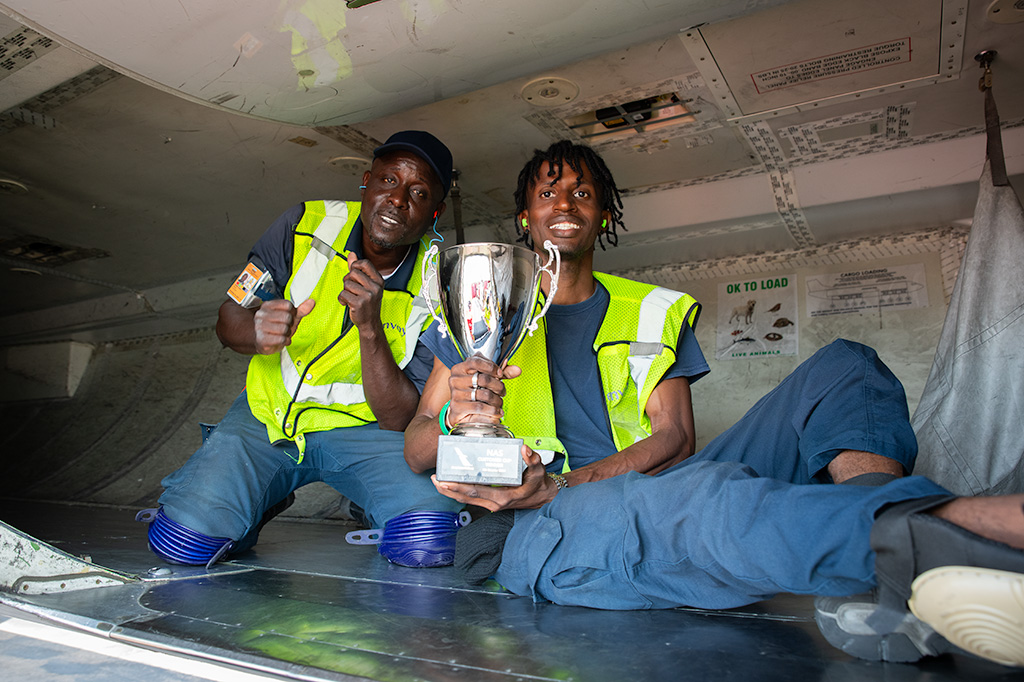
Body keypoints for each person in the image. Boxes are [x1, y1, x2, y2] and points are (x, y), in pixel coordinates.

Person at [403, 140, 1024, 668]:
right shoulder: (479, 308)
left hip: (619, 485)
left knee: (847, 367)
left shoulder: (652, 309)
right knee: (710, 500)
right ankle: (957, 543)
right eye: (548, 193)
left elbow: (675, 437)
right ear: (525, 216)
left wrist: (570, 482)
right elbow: (418, 445)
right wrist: (461, 414)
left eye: (583, 193)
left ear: (605, 214)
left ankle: (876, 568)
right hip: (537, 523)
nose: (565, 205)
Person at [150, 130, 462, 566]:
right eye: (388, 181)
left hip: (367, 432)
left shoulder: (441, 281)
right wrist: (256, 331)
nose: (397, 199)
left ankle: (365, 501)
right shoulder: (304, 224)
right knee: (181, 544)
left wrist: (370, 329)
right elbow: (228, 318)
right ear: (366, 183)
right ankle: (259, 498)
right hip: (269, 418)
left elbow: (398, 418)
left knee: (429, 542)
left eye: (419, 192)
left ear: (435, 212)